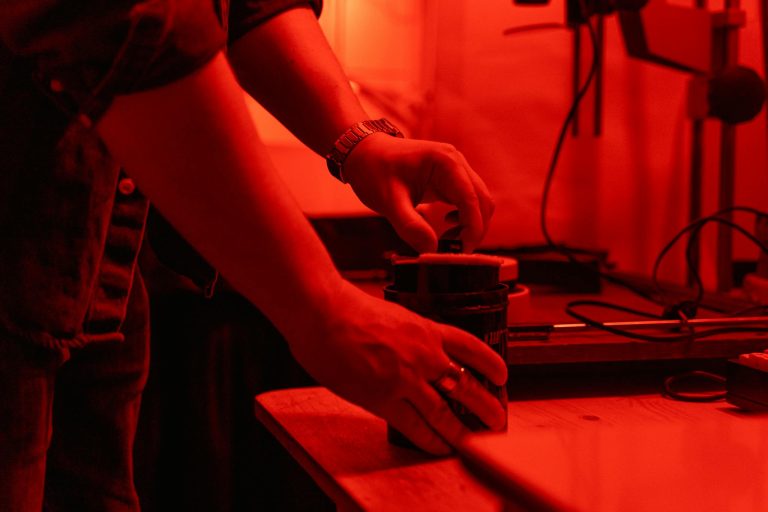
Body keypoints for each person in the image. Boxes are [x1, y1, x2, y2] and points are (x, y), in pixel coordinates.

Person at [0, 1, 507, 510]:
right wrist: (325, 310)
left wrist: (360, 142)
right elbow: (125, 20)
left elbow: (241, 7)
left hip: (97, 270)